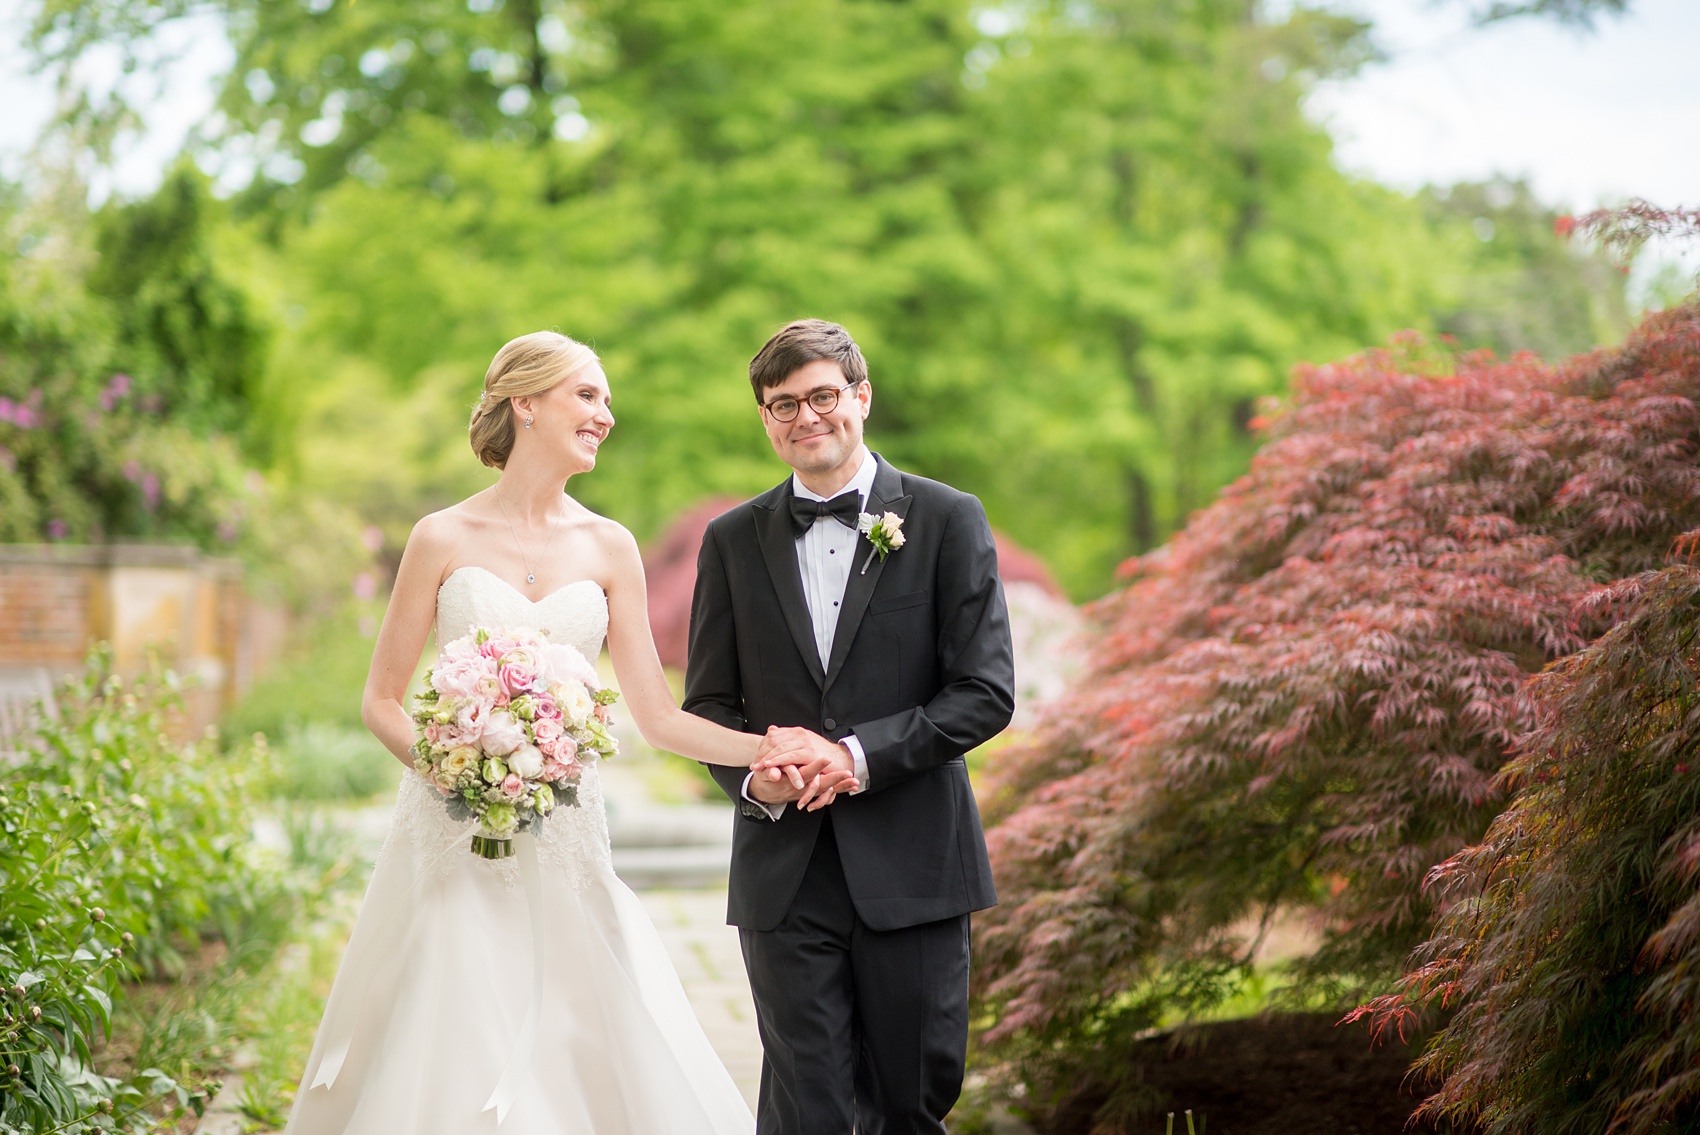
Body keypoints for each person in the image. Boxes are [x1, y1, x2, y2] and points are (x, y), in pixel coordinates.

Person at [285, 331, 855, 1135]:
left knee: (580, 1035)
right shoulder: (439, 537)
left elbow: (657, 715)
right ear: (526, 403)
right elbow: (382, 700)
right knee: (450, 1029)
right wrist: (458, 772)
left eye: (606, 399)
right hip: (454, 839)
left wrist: (768, 746)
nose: (606, 415)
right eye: (588, 395)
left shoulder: (610, 545)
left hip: (566, 837)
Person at [685, 319, 1016, 1135]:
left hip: (913, 866)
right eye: (782, 404)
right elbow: (708, 706)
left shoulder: (948, 518)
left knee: (910, 1102)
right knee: (809, 1108)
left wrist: (856, 756)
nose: (805, 417)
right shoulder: (731, 541)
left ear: (861, 397)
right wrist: (753, 775)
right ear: (765, 418)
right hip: (784, 870)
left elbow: (985, 691)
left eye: (822, 395)